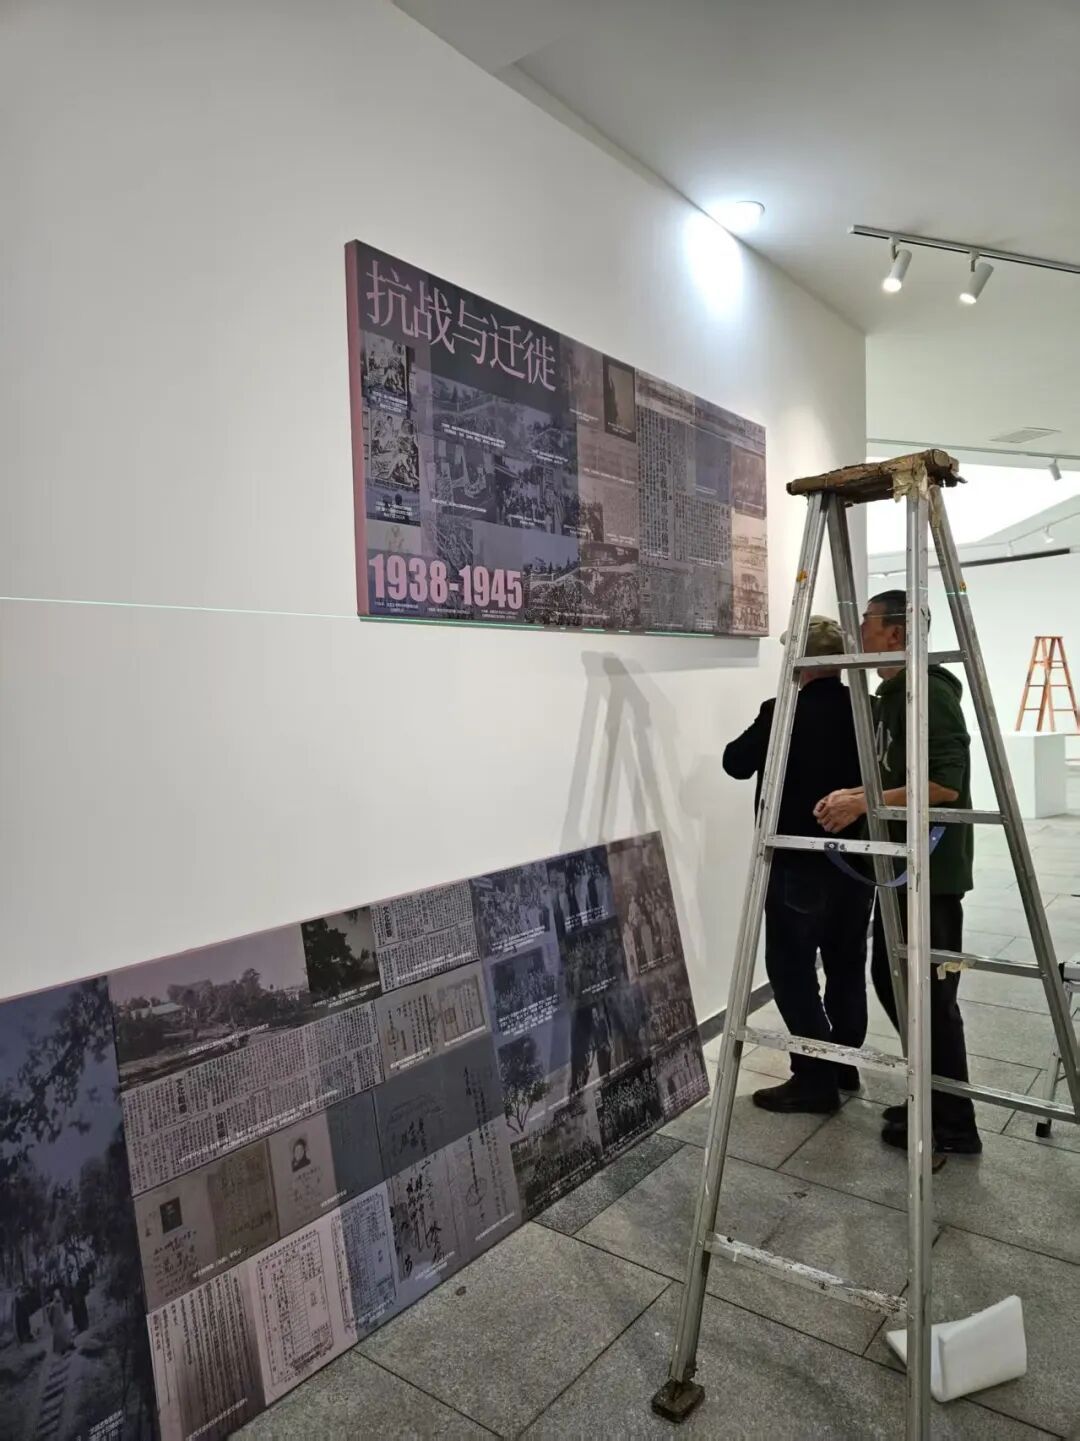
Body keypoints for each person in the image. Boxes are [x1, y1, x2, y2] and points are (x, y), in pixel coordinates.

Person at [815, 590, 980, 1155]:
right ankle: (929, 1097)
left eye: (866, 622)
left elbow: (944, 785)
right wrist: (855, 794)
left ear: (895, 632)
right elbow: (898, 777)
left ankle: (953, 1122)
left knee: (929, 995)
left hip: (931, 873)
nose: (858, 632)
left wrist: (863, 802)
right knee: (895, 982)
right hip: (903, 868)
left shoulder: (928, 691)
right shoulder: (891, 695)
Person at [723, 616, 873, 1114]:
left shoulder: (783, 710)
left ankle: (814, 1077)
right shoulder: (868, 709)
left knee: (791, 969)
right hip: (857, 863)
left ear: (800, 661)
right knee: (847, 963)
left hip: (796, 862)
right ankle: (843, 1061)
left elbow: (735, 762)